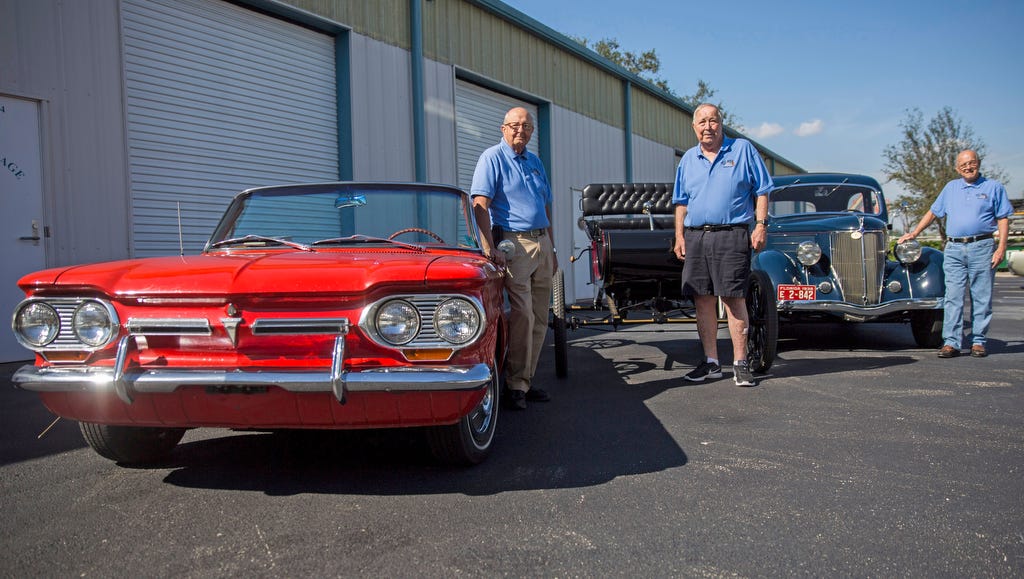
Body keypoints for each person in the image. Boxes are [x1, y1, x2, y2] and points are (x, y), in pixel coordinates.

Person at [672, 103, 774, 386]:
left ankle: (740, 364)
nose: (708, 126)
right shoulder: (688, 160)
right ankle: (711, 363)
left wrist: (761, 225)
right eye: (702, 122)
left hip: (731, 234)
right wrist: (680, 236)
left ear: (721, 124)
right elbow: (681, 202)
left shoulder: (742, 150)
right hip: (696, 237)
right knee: (702, 299)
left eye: (713, 120)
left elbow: (763, 190)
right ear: (694, 128)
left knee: (733, 298)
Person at [471, 107, 557, 409]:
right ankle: (514, 385)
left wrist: (553, 248)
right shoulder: (492, 158)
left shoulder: (535, 162)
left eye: (527, 126)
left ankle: (525, 380)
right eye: (515, 125)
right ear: (503, 128)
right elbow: (480, 203)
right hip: (514, 243)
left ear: (532, 132)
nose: (521, 130)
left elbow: (546, 207)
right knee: (523, 315)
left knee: (540, 318)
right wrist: (487, 246)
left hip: (541, 242)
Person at [898, 150, 1012, 358]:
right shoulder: (951, 188)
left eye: (971, 163)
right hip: (954, 249)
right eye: (963, 165)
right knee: (952, 296)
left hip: (982, 246)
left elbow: (1003, 218)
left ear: (978, 163)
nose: (968, 167)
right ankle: (951, 342)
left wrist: (1001, 247)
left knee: (981, 296)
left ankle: (978, 341)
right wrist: (914, 233)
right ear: (957, 168)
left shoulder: (993, 187)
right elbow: (933, 212)